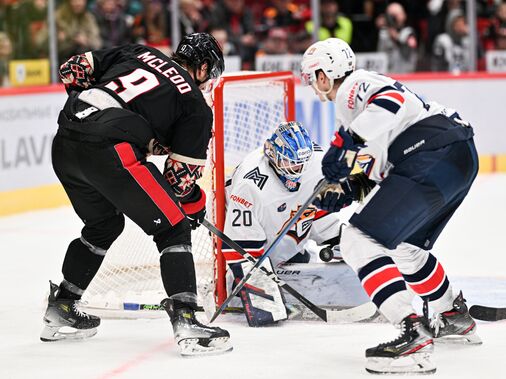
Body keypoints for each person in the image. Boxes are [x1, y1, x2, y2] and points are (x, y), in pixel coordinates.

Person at [41, 32, 232, 357]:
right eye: (209, 76)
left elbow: (71, 68)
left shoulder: (138, 52)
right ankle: (188, 321)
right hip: (108, 149)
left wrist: (92, 115)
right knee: (173, 227)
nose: (207, 85)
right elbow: (179, 183)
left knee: (104, 225)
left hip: (65, 142)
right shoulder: (195, 105)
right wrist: (193, 206)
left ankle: (63, 305)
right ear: (201, 68)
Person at [301, 38, 481, 374]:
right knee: (405, 248)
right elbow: (380, 172)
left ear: (326, 74)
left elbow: (391, 100)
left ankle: (411, 334)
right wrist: (349, 189)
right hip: (456, 157)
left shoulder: (352, 87)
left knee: (355, 240)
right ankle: (452, 314)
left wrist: (345, 141)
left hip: (432, 155)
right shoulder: (359, 111)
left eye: (313, 77)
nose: (313, 87)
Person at [222, 121, 343, 327]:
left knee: (351, 242)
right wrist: (262, 296)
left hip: (289, 226)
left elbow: (316, 207)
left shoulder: (316, 161)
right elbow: (241, 247)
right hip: (255, 238)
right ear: (272, 154)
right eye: (291, 163)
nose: (297, 169)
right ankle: (236, 285)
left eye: (301, 163)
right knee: (267, 315)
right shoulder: (250, 185)